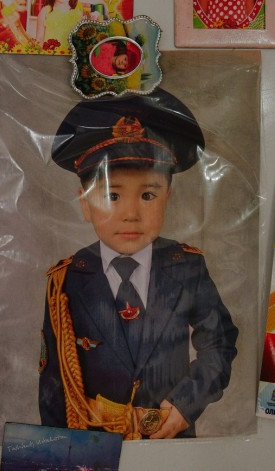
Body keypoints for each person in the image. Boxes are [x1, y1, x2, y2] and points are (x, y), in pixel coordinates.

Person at [38, 91, 239, 439]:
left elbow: (219, 345)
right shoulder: (67, 280)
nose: (131, 214)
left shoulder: (186, 268)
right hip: (94, 442)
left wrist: (186, 404)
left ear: (167, 198)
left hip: (170, 439)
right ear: (85, 205)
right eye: (111, 196)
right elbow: (55, 381)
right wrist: (59, 449)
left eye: (148, 195)